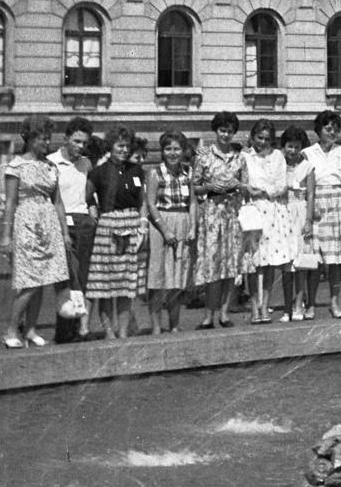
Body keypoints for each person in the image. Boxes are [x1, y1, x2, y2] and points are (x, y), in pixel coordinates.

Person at [0, 116, 71, 348]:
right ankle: (11, 330)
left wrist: (65, 232)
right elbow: (10, 202)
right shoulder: (16, 166)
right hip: (27, 224)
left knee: (43, 280)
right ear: (29, 139)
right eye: (42, 138)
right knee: (29, 281)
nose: (47, 142)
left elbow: (58, 202)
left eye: (49, 138)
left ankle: (30, 329)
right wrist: (6, 236)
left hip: (48, 224)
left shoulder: (51, 166)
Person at [85, 126, 148, 340]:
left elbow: (142, 201)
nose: (124, 150)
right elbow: (86, 196)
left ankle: (122, 332)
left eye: (127, 146)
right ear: (111, 146)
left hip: (131, 226)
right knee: (105, 286)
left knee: (125, 286)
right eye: (120, 145)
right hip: (108, 229)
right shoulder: (98, 172)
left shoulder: (136, 170)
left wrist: (142, 224)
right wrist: (92, 208)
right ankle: (109, 331)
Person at [192, 110, 247, 330]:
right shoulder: (204, 156)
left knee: (231, 266)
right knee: (212, 267)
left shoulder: (240, 157)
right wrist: (209, 187)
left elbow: (246, 187)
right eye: (223, 130)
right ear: (216, 131)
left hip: (232, 214)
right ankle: (208, 316)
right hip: (212, 214)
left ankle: (224, 313)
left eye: (230, 131)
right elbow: (195, 186)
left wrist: (236, 187)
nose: (226, 135)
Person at [301, 109, 341, 319]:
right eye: (327, 128)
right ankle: (310, 304)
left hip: (339, 203)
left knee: (336, 260)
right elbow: (306, 185)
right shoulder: (308, 153)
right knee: (315, 258)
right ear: (319, 130)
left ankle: (334, 302)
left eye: (335, 129)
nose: (332, 132)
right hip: (317, 202)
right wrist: (309, 209)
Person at [48, 115, 95, 342]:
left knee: (81, 278)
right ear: (66, 138)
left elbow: (89, 195)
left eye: (84, 143)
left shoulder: (86, 164)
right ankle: (63, 331)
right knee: (66, 278)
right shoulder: (51, 162)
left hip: (83, 224)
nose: (80, 146)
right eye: (76, 141)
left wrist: (92, 214)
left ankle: (75, 329)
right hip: (61, 225)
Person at [240, 119, 293, 323]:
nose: (263, 142)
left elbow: (282, 184)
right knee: (254, 262)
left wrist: (264, 190)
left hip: (273, 210)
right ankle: (254, 306)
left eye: (267, 139)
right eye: (259, 138)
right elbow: (242, 183)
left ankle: (265, 306)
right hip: (253, 211)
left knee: (269, 261)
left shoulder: (278, 156)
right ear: (252, 137)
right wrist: (247, 189)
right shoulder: (244, 157)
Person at [144, 129, 195, 334]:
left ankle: (174, 325)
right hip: (160, 224)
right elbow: (150, 203)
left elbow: (192, 202)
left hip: (182, 221)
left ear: (183, 151)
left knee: (177, 278)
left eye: (176, 149)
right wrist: (165, 230)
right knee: (158, 277)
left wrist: (192, 226)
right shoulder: (155, 173)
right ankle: (156, 326)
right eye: (168, 149)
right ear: (162, 151)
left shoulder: (188, 172)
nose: (172, 153)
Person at [280, 125, 313, 319]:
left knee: (300, 262)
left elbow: (310, 194)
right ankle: (286, 308)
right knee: (286, 264)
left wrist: (308, 221)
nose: (292, 151)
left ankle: (299, 304)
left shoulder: (307, 166)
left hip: (300, 213)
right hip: (283, 213)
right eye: (289, 146)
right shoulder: (279, 164)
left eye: (296, 146)